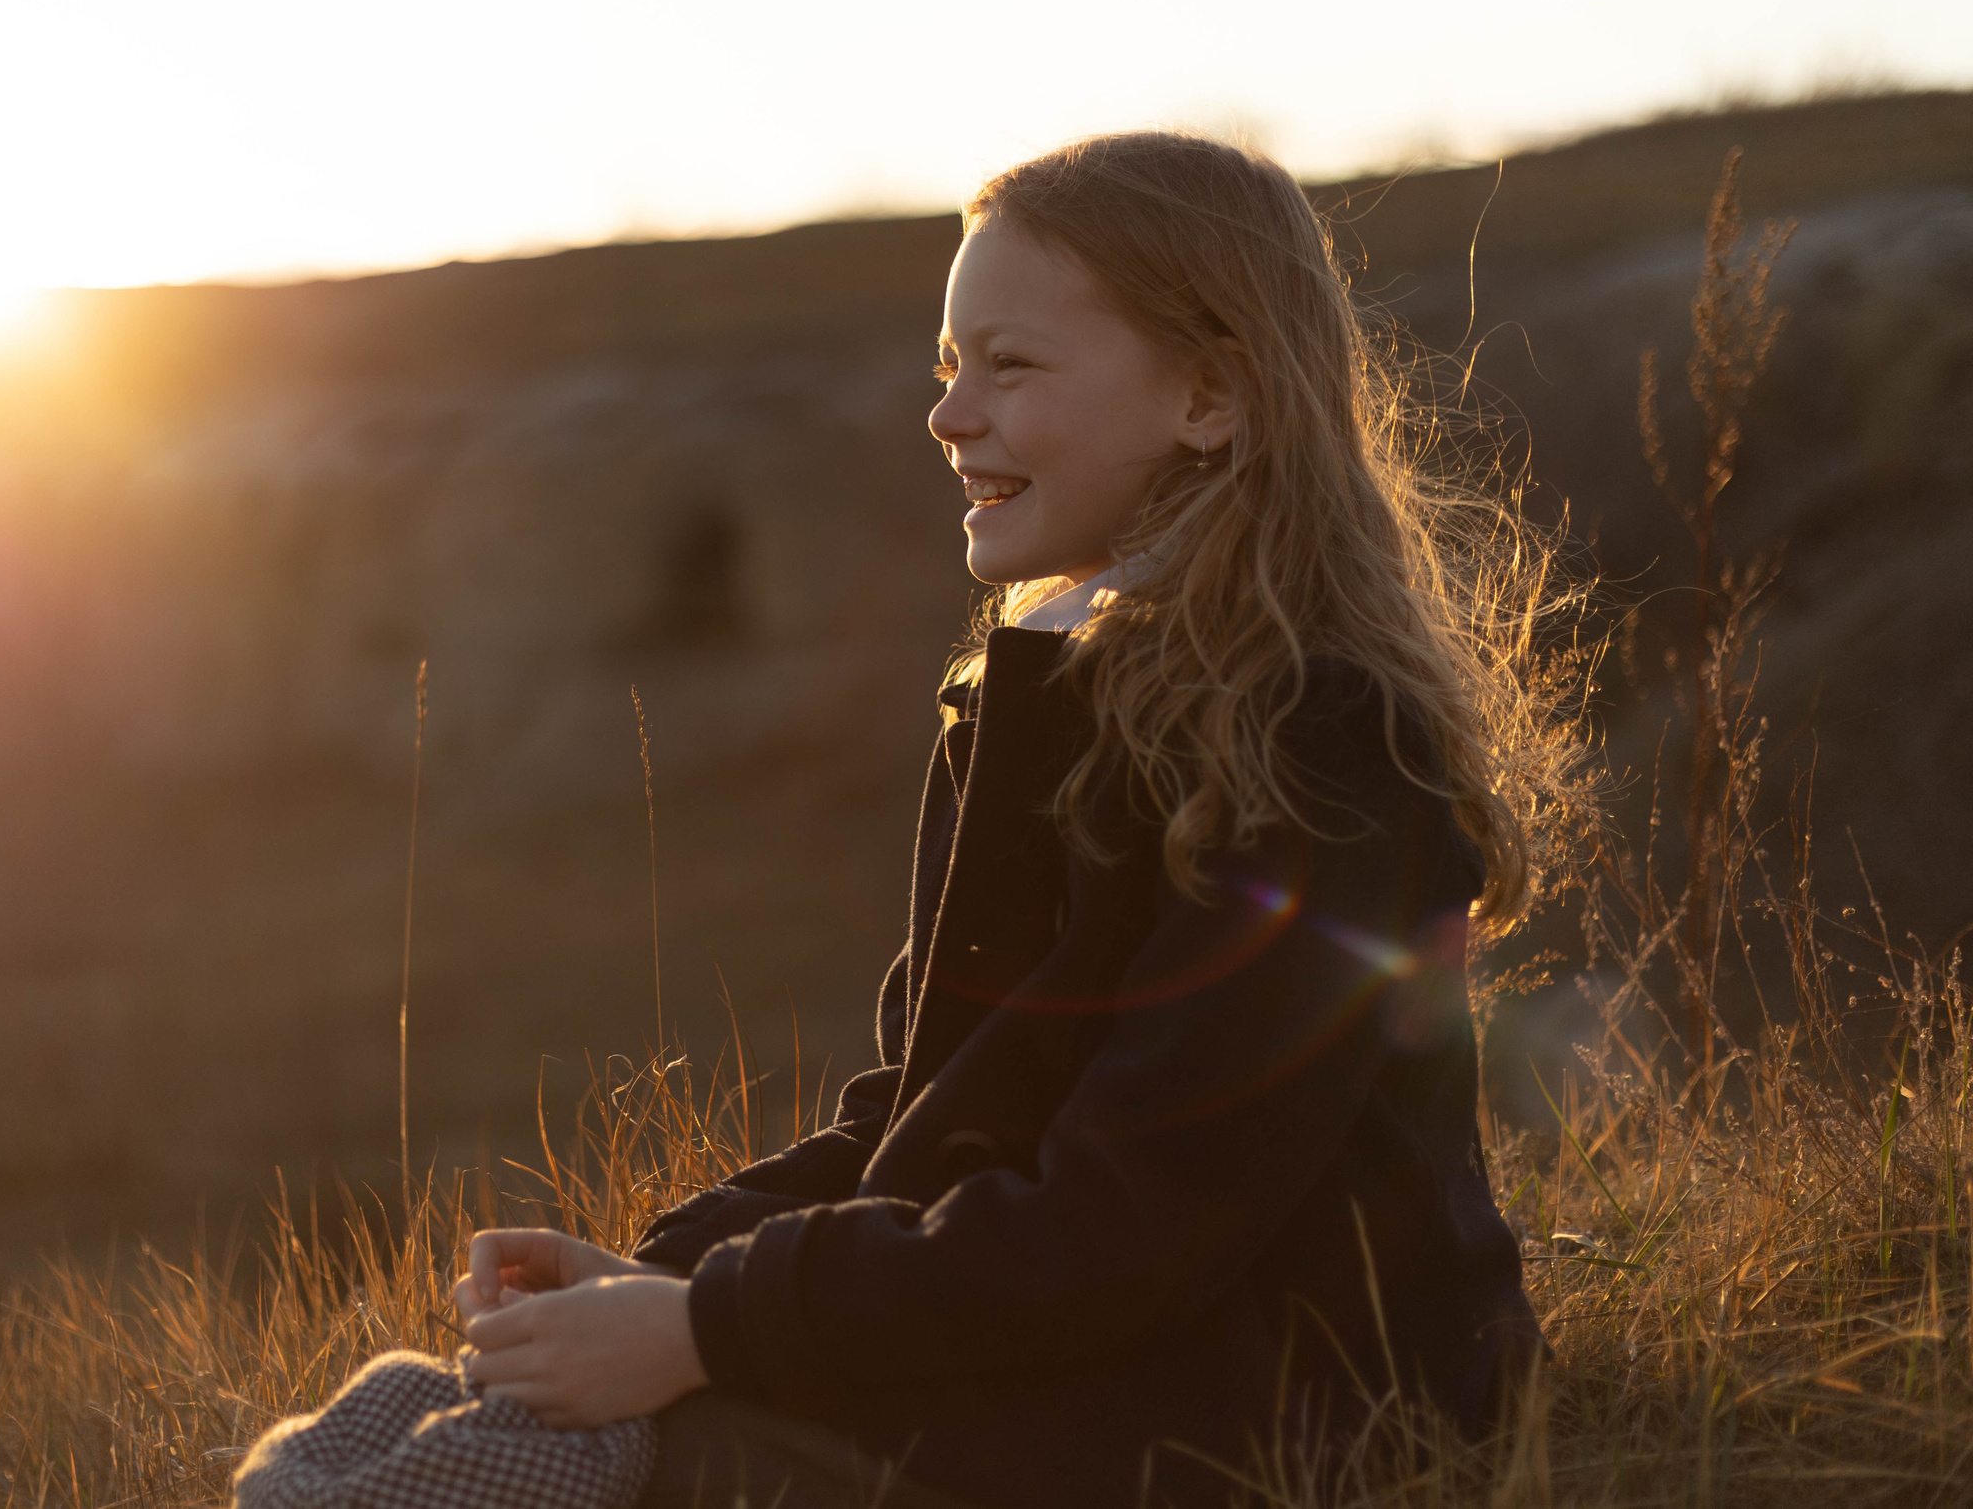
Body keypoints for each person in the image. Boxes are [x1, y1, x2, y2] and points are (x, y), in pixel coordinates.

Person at [440, 131, 1586, 1509]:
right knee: (425, 1424)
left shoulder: (1320, 742)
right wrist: (664, 1275)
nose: (948, 415)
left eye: (1013, 365)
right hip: (1080, 1371)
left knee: (569, 1465)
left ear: (1211, 395)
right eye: (947, 366)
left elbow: (1134, 1222)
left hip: (1291, 1428)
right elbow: (929, 1109)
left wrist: (701, 1333)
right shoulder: (1039, 690)